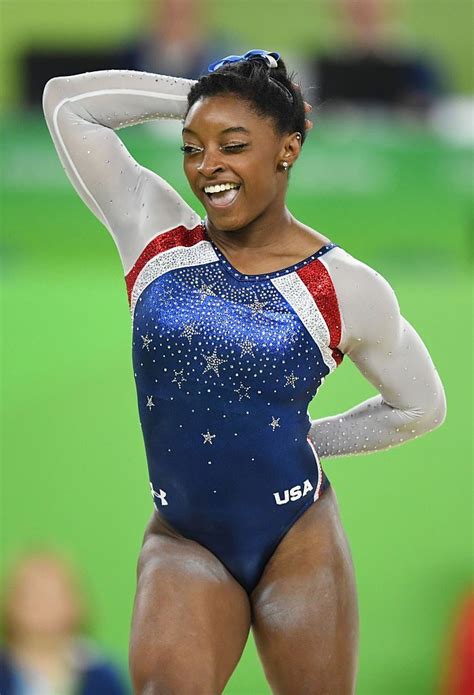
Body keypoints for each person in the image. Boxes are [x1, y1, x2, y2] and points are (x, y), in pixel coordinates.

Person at [42, 49, 447, 694]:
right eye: (192, 147)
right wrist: (204, 97)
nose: (209, 167)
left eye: (234, 144)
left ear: (287, 149)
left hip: (298, 536)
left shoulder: (344, 287)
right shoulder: (154, 233)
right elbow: (67, 103)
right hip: (185, 538)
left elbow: (422, 406)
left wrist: (315, 440)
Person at [0, 549, 129, 694]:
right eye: (33, 594)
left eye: (53, 595)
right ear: (11, 603)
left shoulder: (103, 676)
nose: (44, 605)